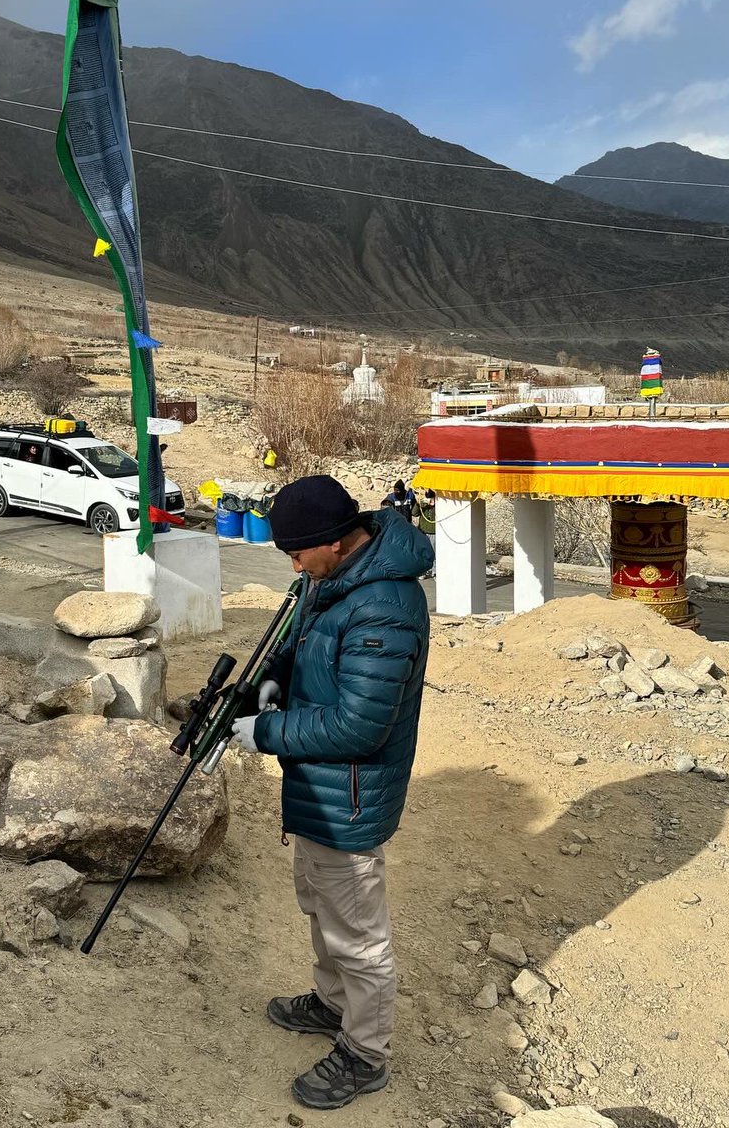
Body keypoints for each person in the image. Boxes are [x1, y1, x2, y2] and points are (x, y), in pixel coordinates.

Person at [229, 474, 432, 1111]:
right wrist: (274, 679)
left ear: (338, 543)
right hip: (319, 788)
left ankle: (365, 1053)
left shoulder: (384, 606)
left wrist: (265, 731)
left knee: (357, 934)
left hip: (349, 794)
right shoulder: (332, 581)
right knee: (322, 906)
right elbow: (304, 646)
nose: (292, 565)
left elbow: (360, 724)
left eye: (296, 553)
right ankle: (332, 1002)